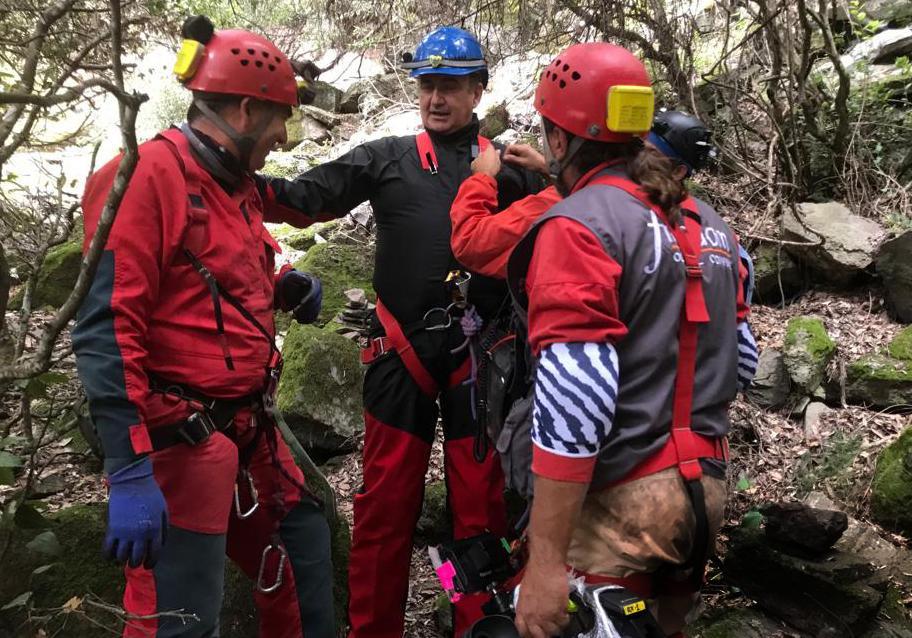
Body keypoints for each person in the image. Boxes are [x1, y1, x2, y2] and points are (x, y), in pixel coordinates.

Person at [259, 26, 544, 638]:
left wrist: (550, 177)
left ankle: (468, 615)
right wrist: (220, 171)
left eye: (450, 86)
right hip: (400, 355)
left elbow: (576, 220)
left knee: (478, 511)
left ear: (478, 89)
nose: (436, 98)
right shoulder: (386, 158)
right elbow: (305, 197)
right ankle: (375, 628)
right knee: (387, 509)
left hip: (478, 362)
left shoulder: (511, 171)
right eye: (427, 85)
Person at [72, 17, 335, 637]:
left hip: (246, 431)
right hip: (179, 443)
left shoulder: (231, 181)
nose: (283, 136)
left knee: (303, 549)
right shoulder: (146, 178)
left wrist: (279, 285)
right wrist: (130, 470)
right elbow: (108, 326)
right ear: (246, 110)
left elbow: (205, 276)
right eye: (280, 119)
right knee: (180, 622)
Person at [497, 43, 758, 638]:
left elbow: (577, 407)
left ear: (559, 141)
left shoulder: (579, 226)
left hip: (622, 505)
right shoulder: (711, 224)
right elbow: (742, 362)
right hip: (703, 496)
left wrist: (542, 569)